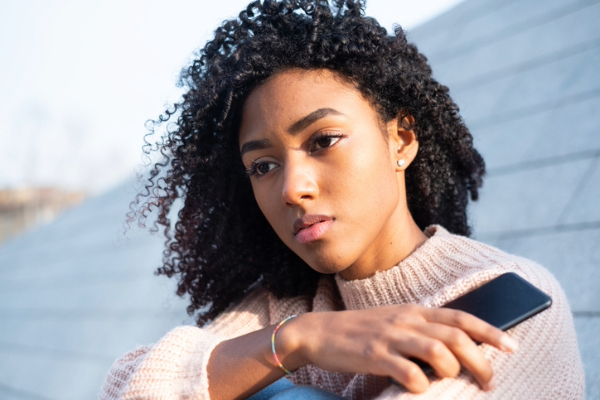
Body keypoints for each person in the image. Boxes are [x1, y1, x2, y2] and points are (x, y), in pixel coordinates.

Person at [99, 1, 584, 399]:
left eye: (323, 140)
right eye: (263, 166)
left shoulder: (506, 303)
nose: (292, 189)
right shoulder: (285, 310)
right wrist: (300, 339)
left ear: (402, 140)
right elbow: (126, 386)